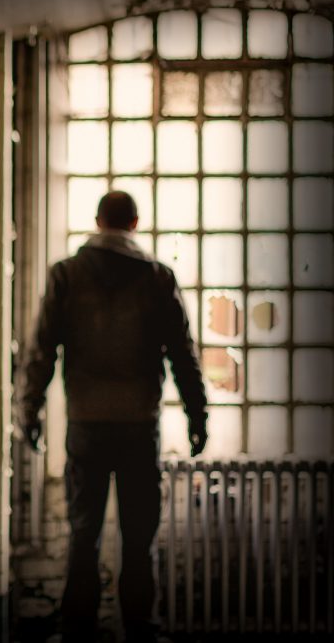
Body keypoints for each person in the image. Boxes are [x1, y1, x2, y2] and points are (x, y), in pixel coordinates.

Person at [19, 190, 208, 643]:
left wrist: (30, 409)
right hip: (139, 426)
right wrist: (197, 416)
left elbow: (42, 350)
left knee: (83, 535)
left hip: (86, 424)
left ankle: (77, 630)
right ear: (136, 223)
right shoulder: (159, 277)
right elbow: (182, 354)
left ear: (97, 220)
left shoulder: (66, 274)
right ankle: (140, 629)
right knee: (138, 538)